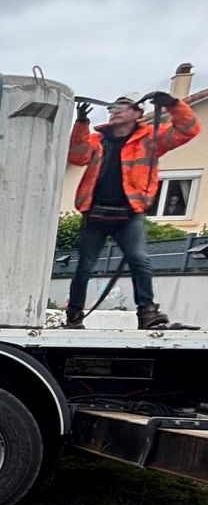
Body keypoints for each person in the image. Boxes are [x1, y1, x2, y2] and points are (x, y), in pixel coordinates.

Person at [65, 90, 201, 329]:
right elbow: (77, 157)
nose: (115, 110)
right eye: (113, 106)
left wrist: (172, 104)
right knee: (84, 267)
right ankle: (73, 316)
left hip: (128, 215)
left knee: (139, 261)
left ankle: (147, 313)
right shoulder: (98, 139)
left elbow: (188, 129)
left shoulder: (150, 138)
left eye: (123, 106)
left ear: (138, 112)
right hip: (95, 214)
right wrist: (81, 124)